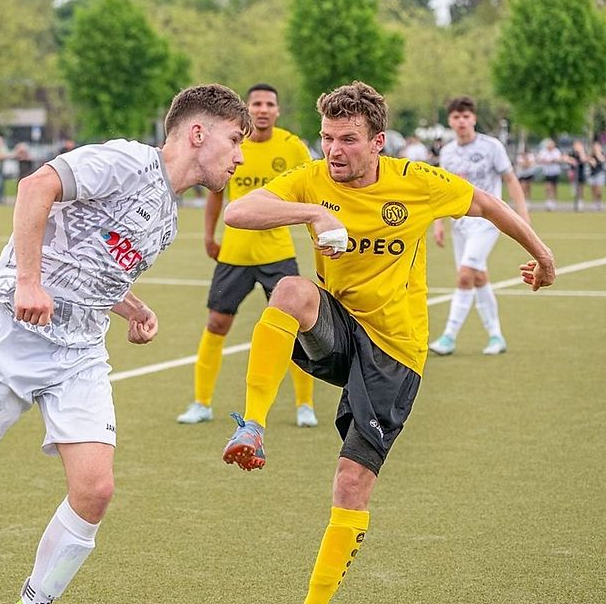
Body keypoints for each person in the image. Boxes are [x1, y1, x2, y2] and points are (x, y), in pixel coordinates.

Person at [0, 84, 252, 604]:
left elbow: (95, 268)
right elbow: (35, 187)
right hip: (16, 336)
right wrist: (28, 283)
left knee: (95, 490)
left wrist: (133, 307)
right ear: (199, 133)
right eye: (235, 140)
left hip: (80, 353)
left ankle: (35, 599)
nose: (241, 154)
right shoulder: (126, 161)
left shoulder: (170, 218)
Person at [219, 81, 555, 604]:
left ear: (378, 141)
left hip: (395, 352)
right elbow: (238, 212)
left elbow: (487, 204)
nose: (334, 150)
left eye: (349, 139)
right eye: (328, 137)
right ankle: (253, 426)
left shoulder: (415, 181)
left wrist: (545, 255)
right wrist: (311, 213)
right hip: (338, 326)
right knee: (289, 291)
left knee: (351, 483)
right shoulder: (313, 179)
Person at [176, 83, 319, 428]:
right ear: (248, 107)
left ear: (278, 110)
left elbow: (313, 191)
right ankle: (202, 403)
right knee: (216, 323)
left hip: (277, 253)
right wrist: (210, 235)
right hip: (235, 253)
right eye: (256, 103)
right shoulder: (231, 143)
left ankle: (305, 404)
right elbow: (215, 193)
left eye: (270, 103)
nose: (263, 109)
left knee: (296, 327)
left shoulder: (292, 147)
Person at [428, 96, 530, 357]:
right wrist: (438, 223)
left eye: (466, 116)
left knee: (464, 275)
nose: (461, 121)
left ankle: (449, 336)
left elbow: (510, 179)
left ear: (473, 118)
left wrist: (522, 215)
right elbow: (442, 191)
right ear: (450, 121)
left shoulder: (491, 146)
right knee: (479, 277)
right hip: (460, 224)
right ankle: (496, 335)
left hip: (488, 222)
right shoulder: (448, 152)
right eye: (456, 117)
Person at [536, 138, 563, 211]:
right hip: (547, 172)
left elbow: (559, 159)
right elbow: (539, 158)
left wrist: (553, 160)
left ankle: (554, 202)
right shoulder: (543, 151)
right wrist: (544, 160)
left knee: (555, 187)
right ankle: (548, 202)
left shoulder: (556, 151)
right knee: (548, 187)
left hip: (555, 172)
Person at [564, 139, 589, 211]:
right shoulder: (572, 152)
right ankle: (576, 201)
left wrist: (581, 152)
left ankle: (580, 202)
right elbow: (565, 157)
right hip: (573, 173)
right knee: (575, 188)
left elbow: (584, 159)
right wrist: (570, 160)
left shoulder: (583, 152)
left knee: (581, 187)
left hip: (581, 172)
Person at [588, 140, 605, 211]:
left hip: (600, 173)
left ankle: (599, 202)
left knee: (599, 190)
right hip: (592, 174)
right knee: (593, 189)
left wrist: (598, 154)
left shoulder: (602, 154)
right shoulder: (591, 155)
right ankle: (594, 203)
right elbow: (589, 162)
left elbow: (602, 160)